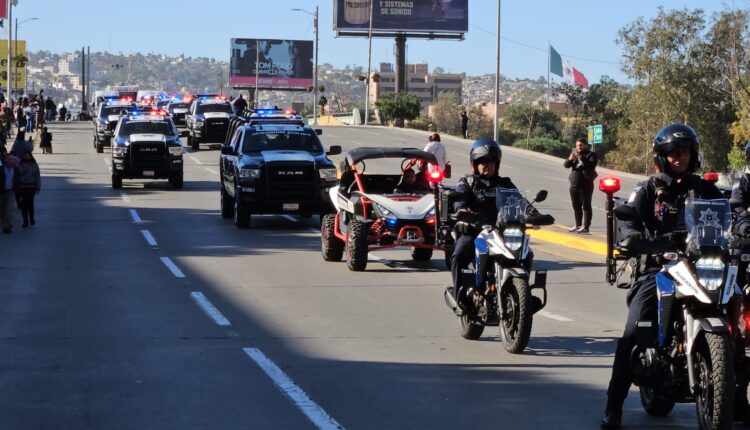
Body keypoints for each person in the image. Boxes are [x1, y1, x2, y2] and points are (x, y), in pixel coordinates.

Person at [600, 124, 726, 429]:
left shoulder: (707, 190)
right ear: (662, 157)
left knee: (738, 311)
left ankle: (736, 397)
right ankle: (613, 407)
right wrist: (637, 239)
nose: (678, 158)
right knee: (632, 334)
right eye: (672, 153)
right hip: (659, 269)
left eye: (683, 152)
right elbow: (627, 222)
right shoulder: (647, 190)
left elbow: (730, 217)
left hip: (702, 267)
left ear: (693, 154)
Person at [449, 139, 540, 307]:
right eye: (482, 162)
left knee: (527, 253)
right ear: (475, 164)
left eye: (490, 162)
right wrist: (462, 212)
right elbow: (459, 201)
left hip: (501, 231)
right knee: (460, 253)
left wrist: (532, 212)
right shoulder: (467, 183)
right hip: (475, 230)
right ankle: (459, 296)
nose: (486, 166)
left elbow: (519, 200)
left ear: (496, 164)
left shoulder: (504, 183)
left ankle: (523, 294)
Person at [563, 137, 598, 233]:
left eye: (581, 145)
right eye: (577, 145)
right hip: (574, 185)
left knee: (586, 206)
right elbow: (566, 165)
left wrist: (580, 157)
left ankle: (585, 227)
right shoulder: (574, 155)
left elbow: (591, 166)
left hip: (585, 185)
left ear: (585, 145)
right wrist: (570, 159)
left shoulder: (591, 155)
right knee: (576, 207)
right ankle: (578, 225)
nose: (579, 147)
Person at [0, 149, 21, 233]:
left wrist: (19, 194)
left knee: (8, 209)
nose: (11, 161)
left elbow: (18, 182)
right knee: (2, 209)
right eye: (9, 159)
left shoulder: (16, 170)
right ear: (5, 160)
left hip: (10, 192)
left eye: (13, 159)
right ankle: (3, 220)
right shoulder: (0, 169)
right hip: (1, 192)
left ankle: (7, 226)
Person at [18, 151, 39, 228]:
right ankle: (25, 221)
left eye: (28, 156)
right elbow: (17, 177)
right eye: (25, 156)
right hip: (22, 187)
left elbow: (37, 177)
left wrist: (38, 187)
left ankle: (31, 218)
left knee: (29, 202)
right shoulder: (19, 165)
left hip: (31, 187)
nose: (27, 157)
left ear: (30, 156)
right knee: (23, 204)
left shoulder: (34, 165)